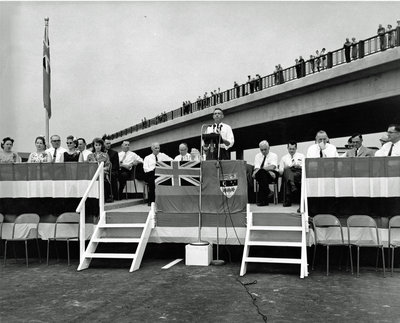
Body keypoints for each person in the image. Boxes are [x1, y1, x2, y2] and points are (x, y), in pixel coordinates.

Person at [279, 141, 305, 207]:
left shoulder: (301, 156)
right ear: (287, 148)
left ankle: (288, 201)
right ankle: (292, 184)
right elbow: (280, 171)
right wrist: (286, 167)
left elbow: (305, 167)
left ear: (296, 148)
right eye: (290, 149)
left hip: (298, 173)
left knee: (288, 178)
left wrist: (299, 166)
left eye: (293, 149)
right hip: (288, 173)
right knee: (287, 170)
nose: (291, 150)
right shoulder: (283, 158)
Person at [252, 140, 278, 206]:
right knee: (261, 174)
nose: (263, 151)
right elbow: (257, 168)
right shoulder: (257, 156)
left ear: (269, 148)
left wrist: (263, 170)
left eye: (265, 149)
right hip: (262, 174)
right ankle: (267, 192)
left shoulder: (274, 155)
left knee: (261, 174)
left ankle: (263, 200)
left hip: (272, 174)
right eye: (261, 150)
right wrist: (264, 170)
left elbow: (273, 167)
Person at [87, 137, 112, 202]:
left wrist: (101, 170)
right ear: (94, 146)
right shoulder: (90, 156)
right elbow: (88, 166)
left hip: (102, 174)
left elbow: (108, 166)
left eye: (99, 145)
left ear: (102, 146)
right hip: (92, 174)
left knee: (104, 180)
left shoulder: (105, 155)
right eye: (96, 145)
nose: (98, 147)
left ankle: (105, 197)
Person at [104, 136, 120, 202]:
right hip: (103, 170)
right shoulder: (100, 152)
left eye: (109, 143)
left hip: (112, 171)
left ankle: (111, 195)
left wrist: (108, 171)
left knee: (111, 176)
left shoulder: (114, 153)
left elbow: (116, 165)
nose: (108, 145)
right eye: (107, 143)